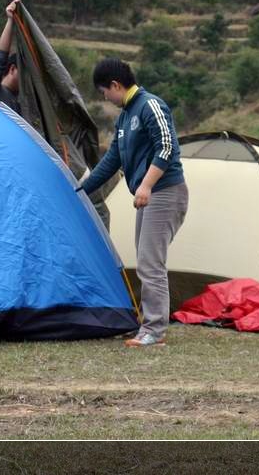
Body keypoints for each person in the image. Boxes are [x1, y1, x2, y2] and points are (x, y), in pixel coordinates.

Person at [79, 58, 187, 347]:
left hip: (165, 191)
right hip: (150, 195)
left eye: (104, 92)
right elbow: (111, 160)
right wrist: (81, 191)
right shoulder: (125, 117)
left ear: (115, 85)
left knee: (151, 262)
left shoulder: (150, 105)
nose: (105, 98)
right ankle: (148, 326)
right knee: (145, 261)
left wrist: (147, 185)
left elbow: (167, 147)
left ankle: (154, 331)